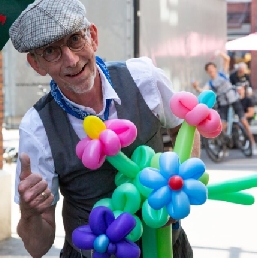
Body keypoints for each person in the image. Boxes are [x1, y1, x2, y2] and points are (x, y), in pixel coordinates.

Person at [9, 0, 200, 257]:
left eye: (75, 39)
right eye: (51, 51)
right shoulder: (37, 128)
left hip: (168, 248)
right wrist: (30, 212)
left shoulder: (145, 79)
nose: (71, 60)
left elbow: (186, 127)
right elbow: (37, 247)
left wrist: (178, 190)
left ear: (93, 37)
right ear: (36, 65)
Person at [192, 50, 257, 155]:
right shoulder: (210, 83)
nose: (211, 70)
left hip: (233, 98)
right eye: (208, 69)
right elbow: (203, 91)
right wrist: (196, 87)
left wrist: (219, 53)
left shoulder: (222, 73)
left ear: (215, 68)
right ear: (207, 72)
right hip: (223, 103)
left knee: (244, 122)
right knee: (222, 124)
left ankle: (253, 144)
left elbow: (227, 59)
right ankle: (222, 147)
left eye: (212, 68)